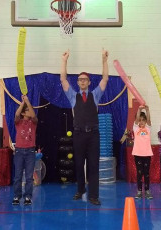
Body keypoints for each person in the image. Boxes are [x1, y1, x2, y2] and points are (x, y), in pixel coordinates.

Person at [60, 49, 109, 205]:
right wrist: (64, 61)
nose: (82, 81)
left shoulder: (95, 95)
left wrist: (104, 60)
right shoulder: (73, 96)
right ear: (78, 82)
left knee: (93, 164)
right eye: (80, 79)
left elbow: (105, 79)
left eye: (85, 79)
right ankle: (81, 190)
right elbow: (63, 79)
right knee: (79, 163)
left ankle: (93, 195)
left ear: (89, 82)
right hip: (79, 134)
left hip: (93, 134)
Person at [12, 95, 38, 206]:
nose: (29, 112)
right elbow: (17, 114)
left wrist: (28, 102)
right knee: (18, 176)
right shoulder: (18, 122)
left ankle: (28, 196)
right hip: (19, 151)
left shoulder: (33, 122)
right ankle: (17, 196)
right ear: (23, 113)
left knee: (28, 176)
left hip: (30, 151)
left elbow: (33, 115)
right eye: (27, 110)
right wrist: (23, 104)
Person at [132, 105, 153, 199]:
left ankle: (147, 190)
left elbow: (149, 120)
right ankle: (139, 191)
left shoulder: (148, 128)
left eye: (143, 120)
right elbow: (136, 121)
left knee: (146, 173)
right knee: (139, 173)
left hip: (147, 154)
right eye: (140, 120)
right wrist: (139, 109)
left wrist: (147, 110)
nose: (141, 122)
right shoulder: (136, 129)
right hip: (138, 154)